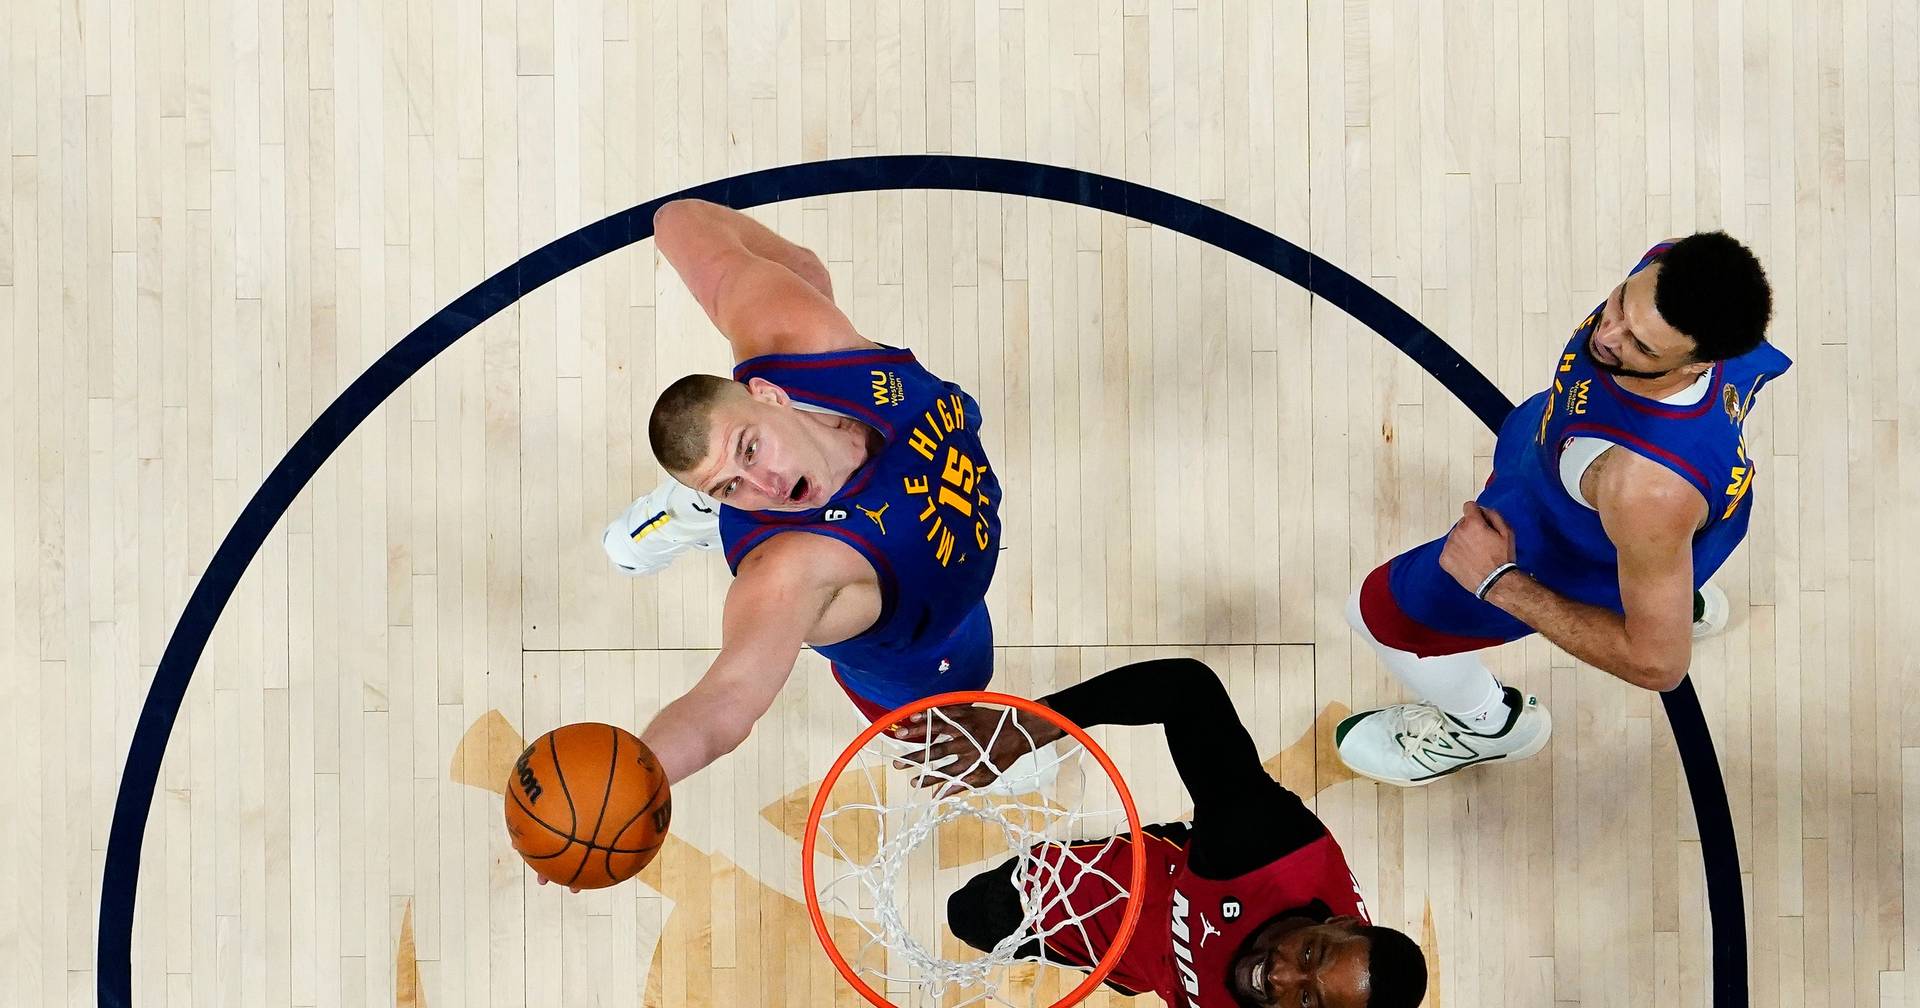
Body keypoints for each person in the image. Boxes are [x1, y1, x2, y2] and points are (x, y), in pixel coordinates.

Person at [1335, 232, 1790, 786]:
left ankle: (1490, 727)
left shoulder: (1645, 489)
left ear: (1700, 365)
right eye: (1620, 302)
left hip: (1581, 543)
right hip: (1595, 500)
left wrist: (1497, 581)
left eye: (1642, 348)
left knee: (1380, 615)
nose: (1609, 333)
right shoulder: (1668, 271)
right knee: (1655, 565)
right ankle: (1670, 596)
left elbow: (1659, 665)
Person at [605, 198, 1004, 787]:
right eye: (730, 486)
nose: (764, 484)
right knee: (955, 716)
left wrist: (794, 264)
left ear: (769, 394)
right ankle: (686, 511)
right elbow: (728, 700)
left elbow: (676, 222)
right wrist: (630, 785)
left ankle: (698, 499)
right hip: (917, 657)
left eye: (749, 449)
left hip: (933, 581)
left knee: (808, 275)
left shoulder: (800, 336)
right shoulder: (791, 572)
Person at [910, 657, 1428, 1008]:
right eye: (1311, 954)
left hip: (1146, 963)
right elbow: (1187, 691)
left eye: (1308, 1001)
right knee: (975, 910)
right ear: (1338, 922)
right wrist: (1029, 727)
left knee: (987, 926)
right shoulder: (1265, 846)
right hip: (1145, 884)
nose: (1279, 977)